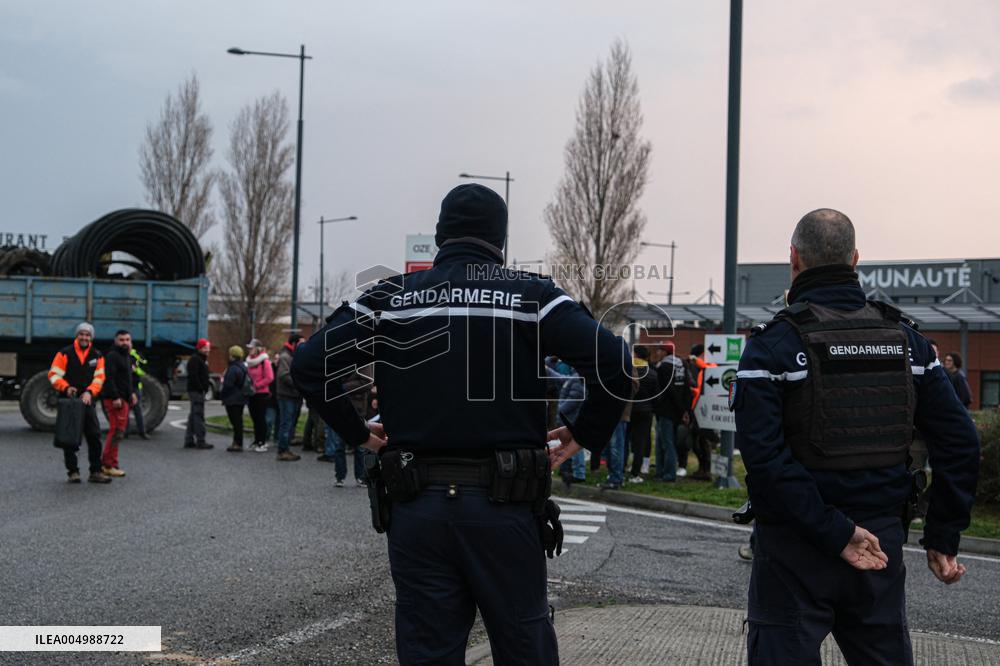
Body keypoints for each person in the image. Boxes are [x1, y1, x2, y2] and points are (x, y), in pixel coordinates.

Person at [292, 184, 630, 665]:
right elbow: (616, 363)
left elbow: (308, 366)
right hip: (506, 511)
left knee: (428, 651)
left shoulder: (390, 297)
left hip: (417, 508)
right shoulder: (532, 295)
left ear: (438, 235)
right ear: (501, 240)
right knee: (523, 648)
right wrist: (583, 433)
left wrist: (360, 435)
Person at [733, 208, 980, 665]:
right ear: (856, 260)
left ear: (793, 260)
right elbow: (960, 441)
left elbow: (765, 462)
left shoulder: (770, 347)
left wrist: (836, 533)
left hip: (796, 547)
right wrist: (943, 535)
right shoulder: (910, 344)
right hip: (879, 546)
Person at [49, 323, 111, 484]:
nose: (84, 337)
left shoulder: (97, 355)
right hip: (69, 400)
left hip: (87, 399)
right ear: (77, 335)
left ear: (91, 337)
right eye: (81, 334)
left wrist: (90, 392)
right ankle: (73, 472)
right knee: (69, 437)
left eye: (87, 335)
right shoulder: (64, 353)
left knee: (95, 436)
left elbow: (99, 378)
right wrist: (66, 387)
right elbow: (54, 375)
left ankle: (95, 471)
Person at [100, 329, 136, 477]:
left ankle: (110, 463)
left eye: (127, 340)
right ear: (115, 341)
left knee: (118, 432)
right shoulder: (113, 356)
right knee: (116, 432)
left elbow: (126, 379)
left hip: (123, 399)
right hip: (116, 400)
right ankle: (108, 464)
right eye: (121, 340)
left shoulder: (126, 356)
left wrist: (131, 393)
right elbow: (109, 378)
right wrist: (115, 397)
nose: (125, 342)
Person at [650, 343, 687, 482]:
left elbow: (668, 390)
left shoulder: (664, 367)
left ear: (666, 352)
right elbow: (686, 387)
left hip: (665, 410)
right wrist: (684, 409)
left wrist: (681, 409)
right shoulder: (681, 365)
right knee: (663, 442)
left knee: (666, 443)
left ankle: (668, 474)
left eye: (660, 350)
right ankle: (660, 472)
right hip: (676, 410)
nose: (657, 352)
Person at [627, 345, 660, 483]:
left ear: (635, 355)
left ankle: (621, 468)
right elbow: (657, 395)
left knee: (625, 441)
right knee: (641, 442)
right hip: (646, 411)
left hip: (629, 410)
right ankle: (636, 472)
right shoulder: (652, 373)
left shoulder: (628, 370)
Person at [556, 366, 587, 488]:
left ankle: (579, 473)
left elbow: (575, 398)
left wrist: (559, 410)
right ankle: (568, 470)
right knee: (570, 444)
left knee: (575, 445)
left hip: (571, 418)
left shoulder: (577, 379)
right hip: (570, 418)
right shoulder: (575, 377)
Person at [275, 333, 304, 461]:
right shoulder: (285, 357)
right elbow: (284, 375)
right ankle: (283, 450)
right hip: (287, 396)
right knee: (286, 424)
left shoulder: (294, 356)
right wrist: (300, 384)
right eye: (301, 343)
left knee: (289, 423)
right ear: (294, 343)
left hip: (294, 396)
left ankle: (286, 448)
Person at [245, 339, 274, 452]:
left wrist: (257, 385)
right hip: (251, 393)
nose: (249, 349)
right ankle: (256, 440)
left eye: (251, 347)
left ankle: (262, 442)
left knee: (261, 418)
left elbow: (270, 377)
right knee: (254, 418)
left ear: (258, 348)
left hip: (261, 394)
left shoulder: (264, 361)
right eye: (249, 348)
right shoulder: (250, 361)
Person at [184, 338, 213, 449]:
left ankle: (189, 439)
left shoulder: (201, 359)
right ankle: (201, 440)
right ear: (200, 348)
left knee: (193, 415)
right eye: (205, 348)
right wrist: (201, 388)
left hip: (197, 390)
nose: (207, 350)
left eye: (208, 348)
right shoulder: (196, 360)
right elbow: (194, 376)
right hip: (196, 391)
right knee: (198, 415)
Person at [221, 345, 250, 452]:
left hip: (232, 399)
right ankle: (237, 442)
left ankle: (237, 443)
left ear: (232, 355)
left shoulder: (233, 368)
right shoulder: (243, 367)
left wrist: (223, 393)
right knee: (238, 421)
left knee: (236, 422)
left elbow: (228, 384)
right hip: (241, 398)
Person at [128, 346, 149, 439]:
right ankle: (125, 431)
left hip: (135, 386)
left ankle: (142, 432)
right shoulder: (121, 355)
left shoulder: (136, 355)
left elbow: (144, 368)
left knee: (137, 409)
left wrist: (135, 369)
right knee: (125, 410)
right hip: (126, 385)